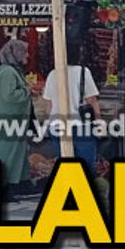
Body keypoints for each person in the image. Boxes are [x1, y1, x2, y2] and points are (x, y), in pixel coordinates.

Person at [0, 39, 33, 198]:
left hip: (14, 120)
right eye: (24, 52)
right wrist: (27, 91)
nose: (27, 55)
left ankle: (21, 182)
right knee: (5, 154)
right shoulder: (8, 72)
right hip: (8, 121)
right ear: (16, 54)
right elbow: (10, 95)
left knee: (18, 153)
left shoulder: (13, 71)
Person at [42, 39, 99, 169]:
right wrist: (99, 121)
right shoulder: (83, 72)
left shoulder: (53, 74)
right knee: (85, 165)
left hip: (57, 125)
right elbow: (92, 100)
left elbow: (48, 106)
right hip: (80, 125)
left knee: (64, 165)